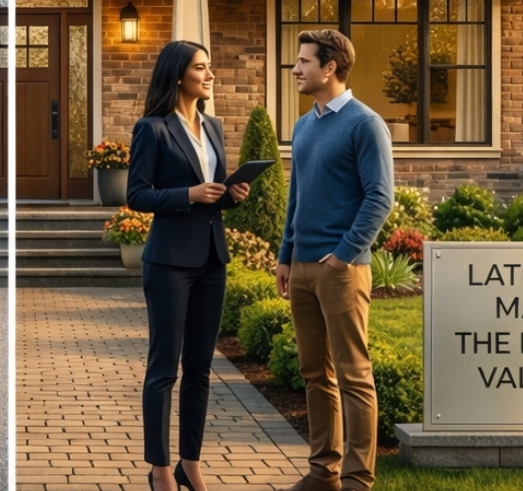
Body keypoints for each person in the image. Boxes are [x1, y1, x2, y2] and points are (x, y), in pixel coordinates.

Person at [126, 40, 252, 491]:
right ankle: (160, 469)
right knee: (165, 367)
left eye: (210, 67)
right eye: (202, 68)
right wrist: (187, 195)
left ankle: (190, 463)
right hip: (168, 262)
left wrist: (231, 195)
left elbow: (214, 194)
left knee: (200, 367)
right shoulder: (152, 128)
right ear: (179, 75)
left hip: (212, 258)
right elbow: (136, 195)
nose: (211, 75)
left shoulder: (214, 126)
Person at [275, 29, 394, 491]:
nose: (296, 69)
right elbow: (297, 195)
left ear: (330, 69)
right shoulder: (305, 125)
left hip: (341, 269)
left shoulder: (365, 123)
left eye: (304, 62)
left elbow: (380, 198)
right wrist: (286, 254)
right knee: (314, 373)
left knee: (353, 375)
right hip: (302, 266)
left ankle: (358, 479)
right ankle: (324, 472)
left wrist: (343, 255)